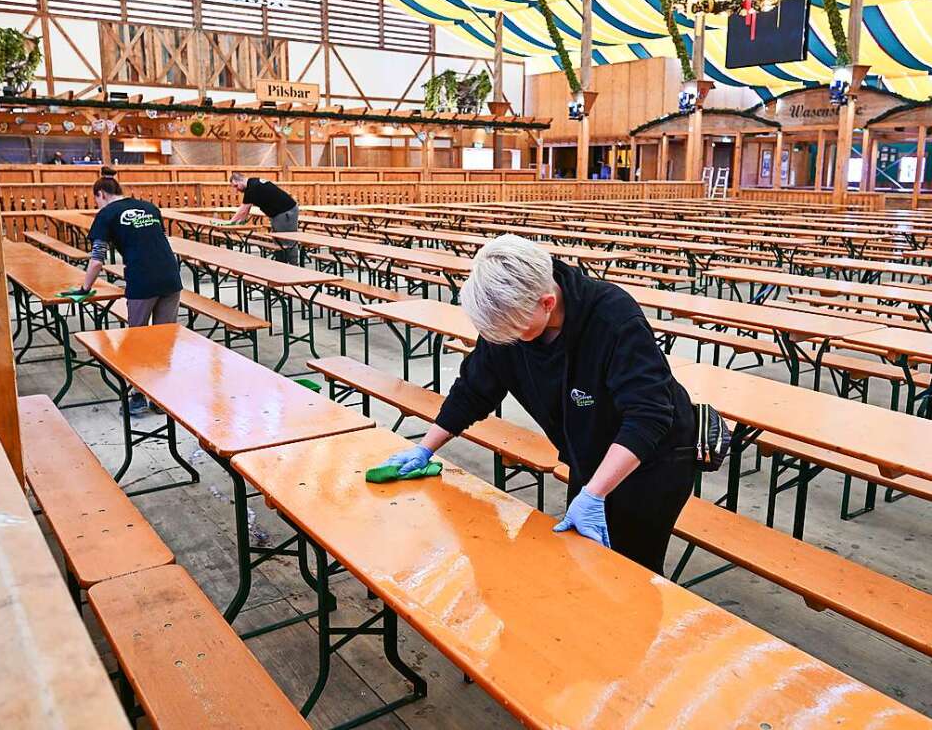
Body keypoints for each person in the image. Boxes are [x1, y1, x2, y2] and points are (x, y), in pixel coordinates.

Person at [376, 235, 697, 574]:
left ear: (547, 302)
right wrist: (425, 449)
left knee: (632, 571)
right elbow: (474, 390)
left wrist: (594, 493)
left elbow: (648, 416)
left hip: (652, 459)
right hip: (589, 451)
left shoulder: (612, 318)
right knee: (588, 563)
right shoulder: (511, 318)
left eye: (516, 332)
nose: (508, 340)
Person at [68, 167, 183, 416]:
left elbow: (97, 259)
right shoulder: (149, 207)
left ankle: (138, 395)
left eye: (95, 200)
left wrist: (84, 288)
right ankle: (160, 398)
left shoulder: (106, 214)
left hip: (142, 280)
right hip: (171, 276)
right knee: (164, 338)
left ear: (100, 194)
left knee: (137, 340)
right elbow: (159, 240)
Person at [223, 173, 300, 265]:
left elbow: (243, 210)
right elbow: (246, 210)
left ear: (241, 180)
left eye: (236, 186)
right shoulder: (252, 183)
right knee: (278, 240)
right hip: (277, 213)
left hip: (286, 211)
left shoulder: (252, 188)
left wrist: (230, 223)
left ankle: (294, 266)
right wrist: (239, 222)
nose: (237, 189)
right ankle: (280, 265)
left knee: (288, 240)